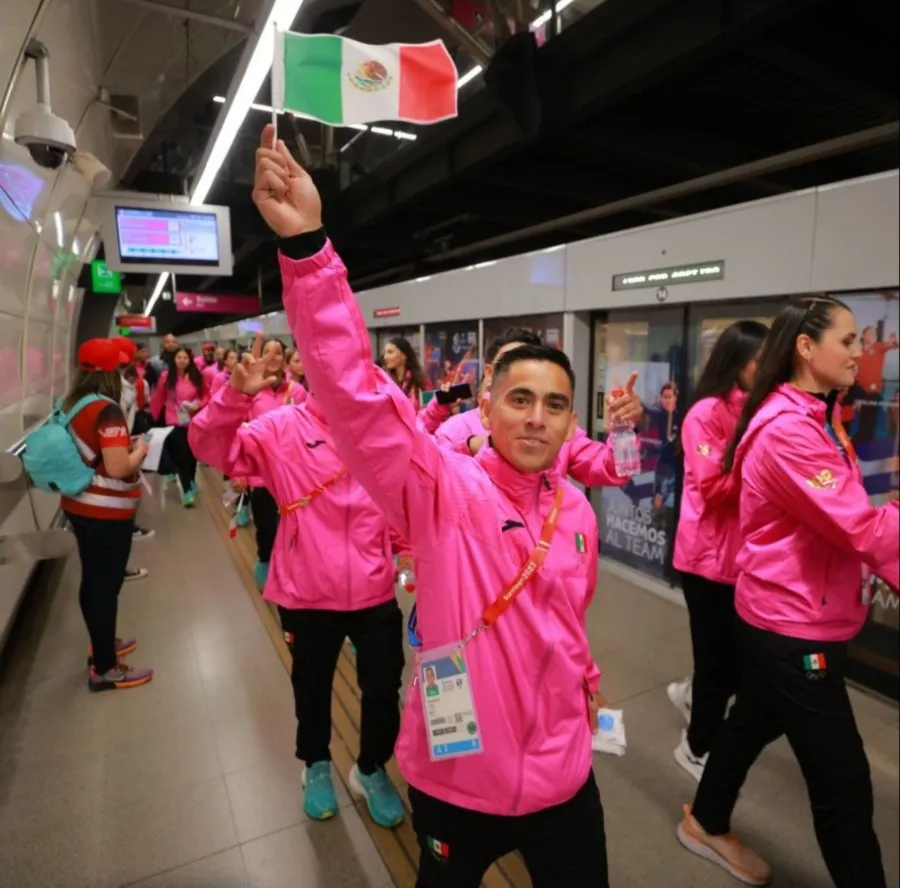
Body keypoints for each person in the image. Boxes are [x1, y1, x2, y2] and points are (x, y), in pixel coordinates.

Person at [252, 124, 642, 887]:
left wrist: (584, 689)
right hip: (461, 783)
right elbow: (357, 395)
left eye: (555, 405)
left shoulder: (577, 514)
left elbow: (566, 625)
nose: (537, 417)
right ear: (486, 409)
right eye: (520, 399)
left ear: (571, 422)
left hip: (565, 778)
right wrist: (307, 250)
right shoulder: (445, 490)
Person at [676, 295, 899, 888]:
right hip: (790, 622)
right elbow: (858, 526)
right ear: (806, 347)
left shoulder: (813, 414)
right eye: (848, 341)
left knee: (753, 719)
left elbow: (839, 515)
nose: (859, 352)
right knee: (844, 786)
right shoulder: (786, 429)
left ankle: (705, 817)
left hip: (795, 609)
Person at [189, 334, 408, 830]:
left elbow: (400, 493)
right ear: (311, 372)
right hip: (307, 593)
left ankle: (371, 768)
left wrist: (410, 551)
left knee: (383, 689)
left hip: (374, 590)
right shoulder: (279, 427)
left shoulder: (380, 429)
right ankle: (315, 765)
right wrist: (233, 396)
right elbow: (207, 446)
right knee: (311, 687)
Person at [667, 320, 768, 781]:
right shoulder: (705, 412)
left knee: (734, 663)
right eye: (760, 361)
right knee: (716, 663)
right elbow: (713, 487)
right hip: (705, 560)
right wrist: (764, 455)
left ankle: (690, 694)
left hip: (744, 559)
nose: (770, 369)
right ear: (736, 363)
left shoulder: (764, 409)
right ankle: (694, 746)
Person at [60, 338, 153, 691]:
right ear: (113, 371)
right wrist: (141, 449)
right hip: (106, 511)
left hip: (79, 506)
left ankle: (101, 645)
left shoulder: (72, 403)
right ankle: (105, 668)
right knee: (105, 587)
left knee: (92, 581)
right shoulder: (107, 410)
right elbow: (117, 467)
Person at [111, 336, 155, 571]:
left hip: (120, 449)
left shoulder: (116, 386)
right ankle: (118, 569)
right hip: (118, 457)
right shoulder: (119, 390)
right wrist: (138, 450)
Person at [150, 347, 206, 507]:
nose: (182, 360)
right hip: (174, 420)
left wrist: (198, 405)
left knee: (192, 454)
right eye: (179, 357)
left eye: (185, 358)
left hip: (193, 420)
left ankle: (192, 479)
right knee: (181, 455)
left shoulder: (197, 377)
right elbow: (158, 396)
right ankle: (187, 490)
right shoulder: (166, 377)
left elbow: (204, 396)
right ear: (174, 360)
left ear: (190, 360)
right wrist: (154, 416)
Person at [382, 337, 429, 408]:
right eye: (385, 353)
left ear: (404, 356)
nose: (385, 357)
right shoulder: (384, 381)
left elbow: (429, 406)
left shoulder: (419, 380)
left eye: (390, 352)